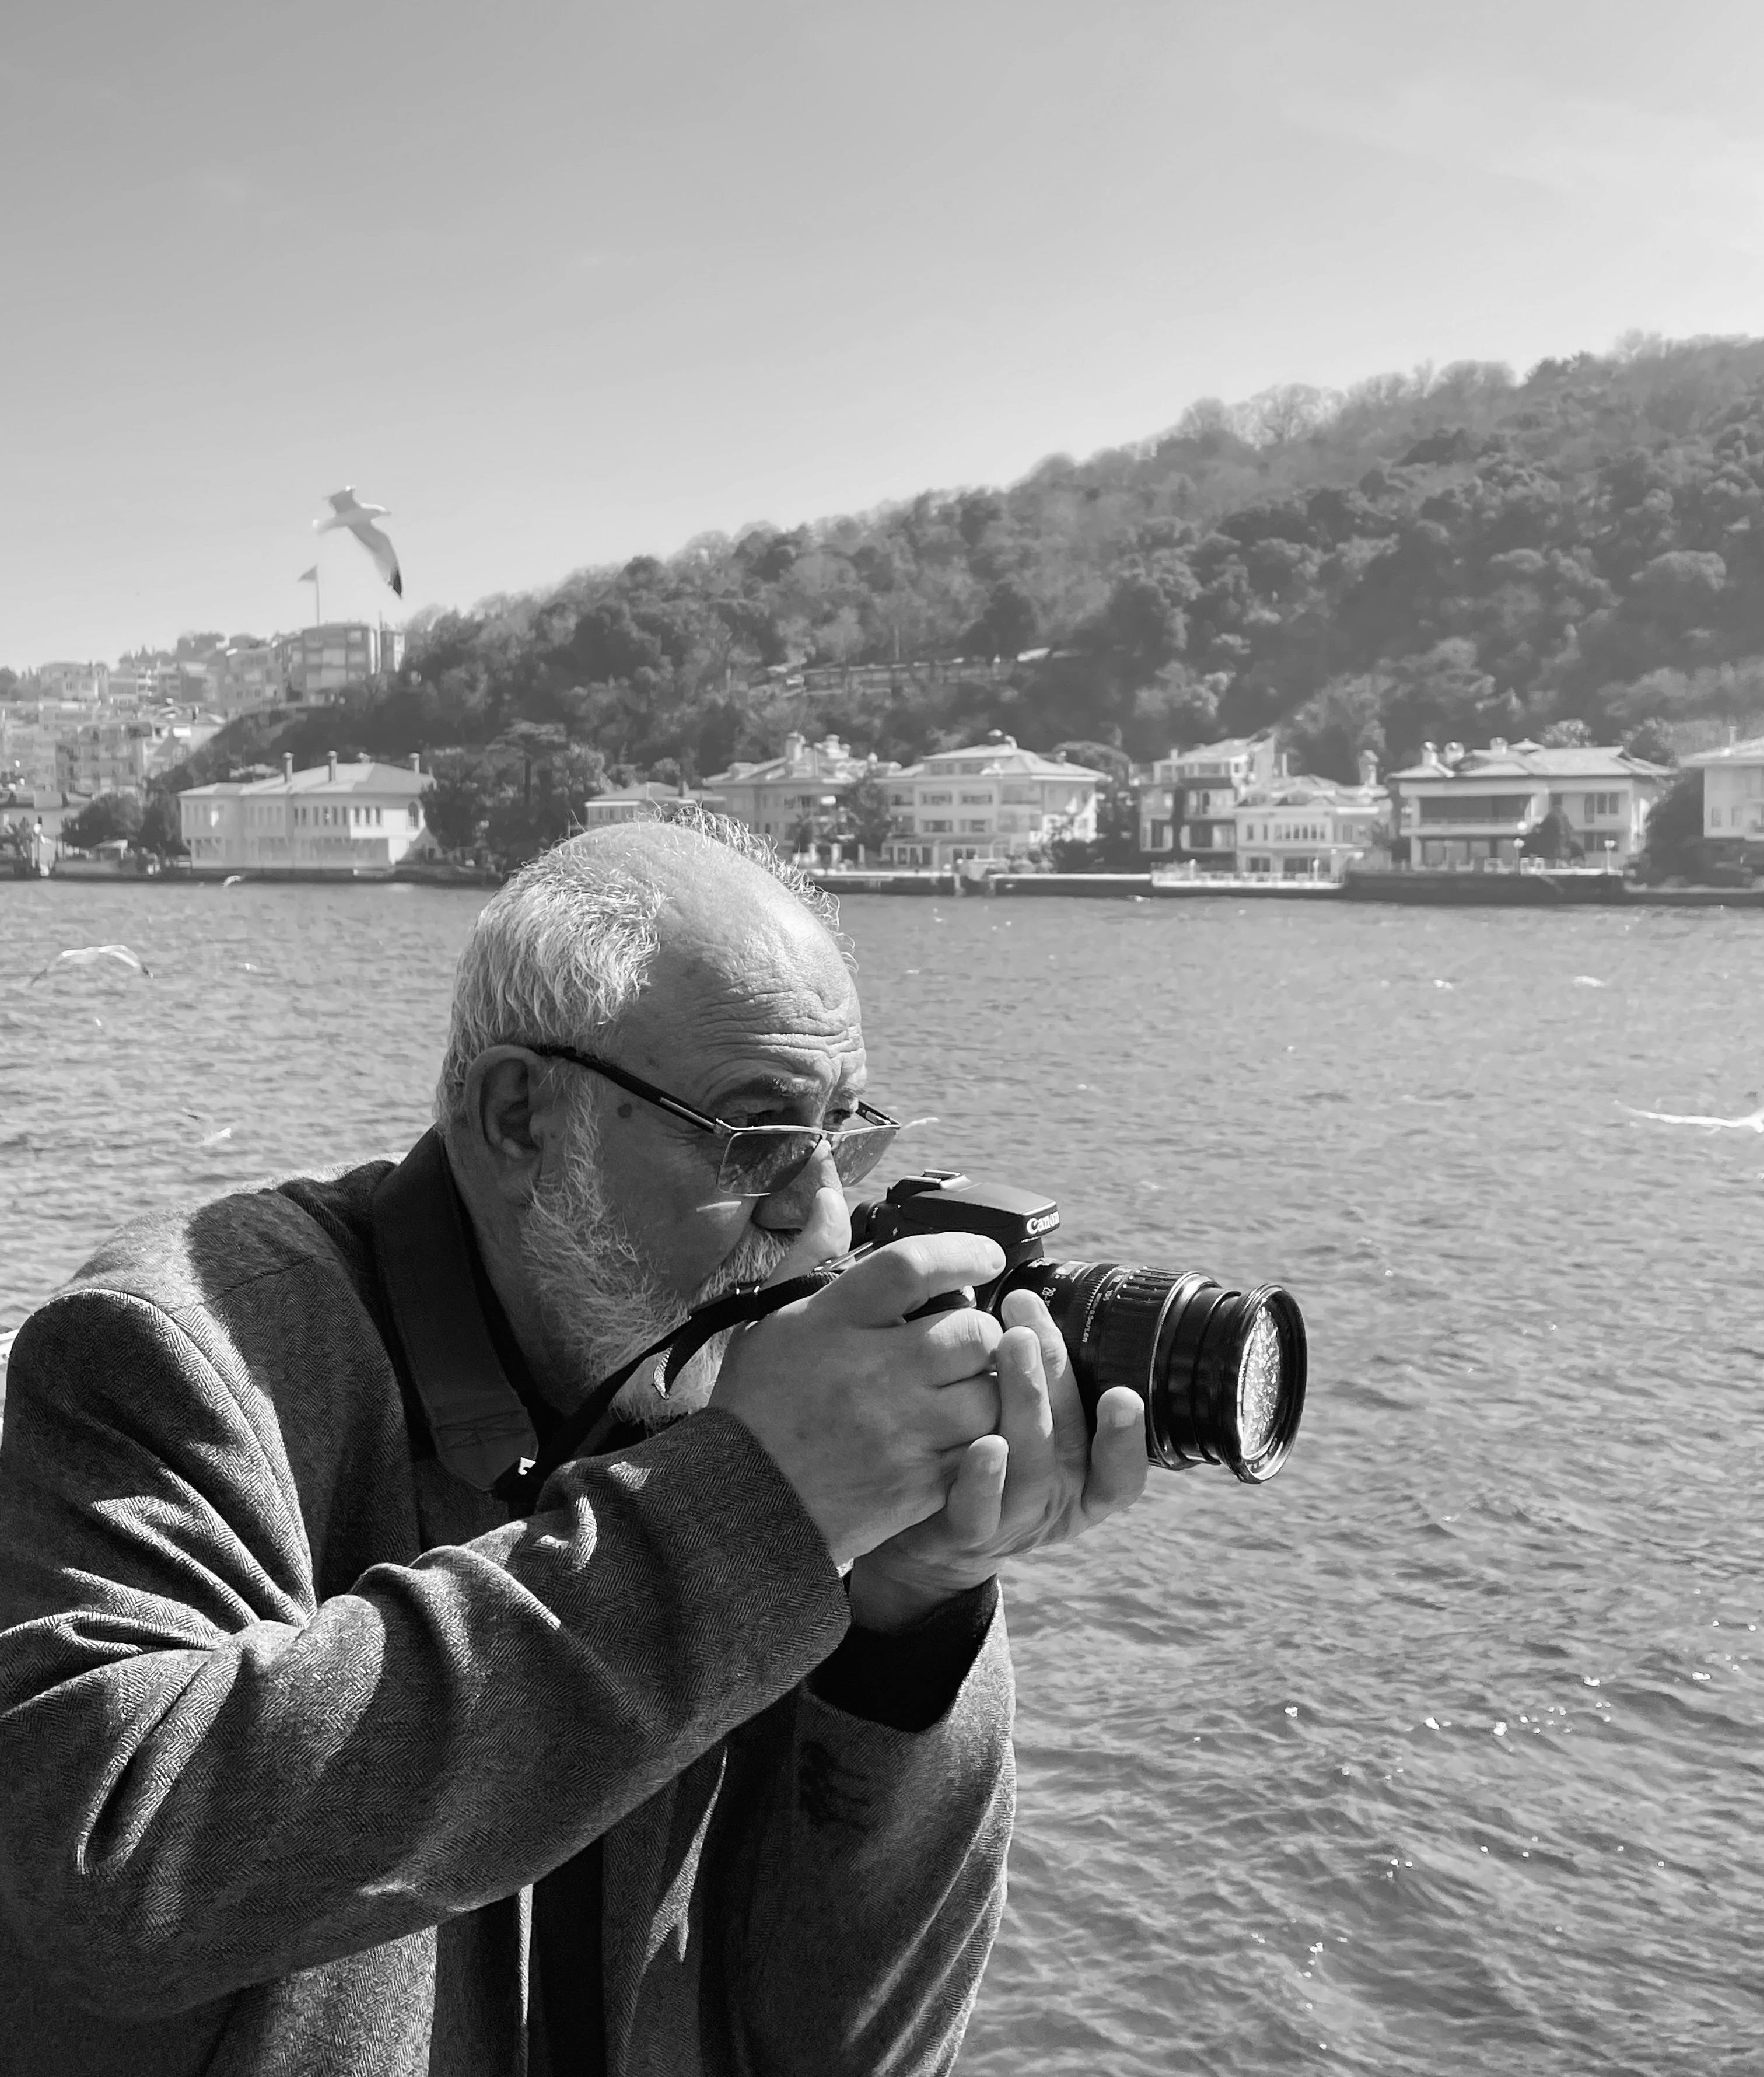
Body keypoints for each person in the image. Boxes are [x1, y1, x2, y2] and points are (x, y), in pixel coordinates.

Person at [0, 814, 1147, 2075]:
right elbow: (107, 1874)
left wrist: (903, 1631)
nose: (823, 1225)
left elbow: (856, 2047)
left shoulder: (712, 1397)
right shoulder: (178, 1353)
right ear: (518, 1118)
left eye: (844, 1139)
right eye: (760, 1139)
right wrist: (749, 1510)